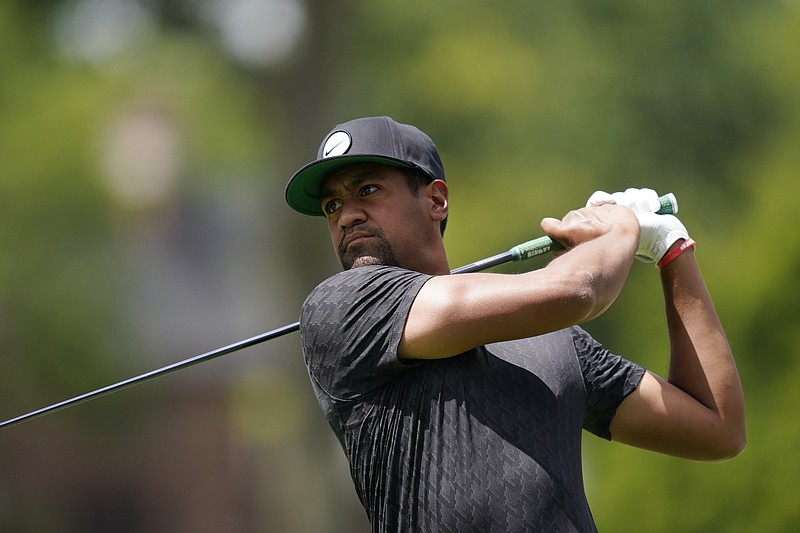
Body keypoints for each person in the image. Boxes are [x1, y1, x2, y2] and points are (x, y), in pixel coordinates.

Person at [284, 116, 745, 532]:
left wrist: (671, 249)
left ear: (436, 200)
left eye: (367, 191)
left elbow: (716, 428)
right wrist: (623, 225)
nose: (346, 216)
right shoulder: (342, 306)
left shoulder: (553, 337)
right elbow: (578, 289)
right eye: (331, 206)